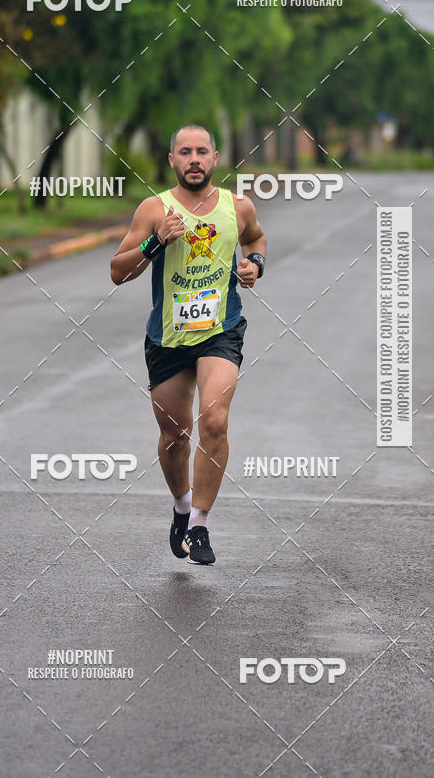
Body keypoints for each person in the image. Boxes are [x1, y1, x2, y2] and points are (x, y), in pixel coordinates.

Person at [110, 125, 266, 565]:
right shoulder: (154, 209)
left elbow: (255, 240)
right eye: (185, 152)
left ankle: (199, 524)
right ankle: (180, 508)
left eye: (202, 151)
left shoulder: (238, 207)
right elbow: (118, 271)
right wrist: (156, 241)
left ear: (216, 158)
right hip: (168, 338)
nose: (194, 159)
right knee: (175, 434)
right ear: (172, 161)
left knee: (214, 421)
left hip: (221, 329)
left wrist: (255, 264)